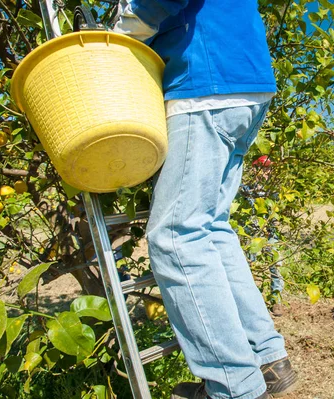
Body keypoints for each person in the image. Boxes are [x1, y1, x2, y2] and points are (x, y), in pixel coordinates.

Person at [113, 1, 298, 398]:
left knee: (176, 237)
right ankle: (267, 359)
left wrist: (122, 31)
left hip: (204, 83)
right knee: (210, 229)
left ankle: (234, 386)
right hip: (243, 85)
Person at [240, 155, 285, 316]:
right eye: (264, 168)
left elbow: (277, 210)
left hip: (270, 231)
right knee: (248, 264)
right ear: (255, 169)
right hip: (252, 232)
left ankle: (276, 299)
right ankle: (249, 301)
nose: (267, 172)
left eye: (269, 168)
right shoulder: (246, 188)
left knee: (275, 263)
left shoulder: (273, 188)